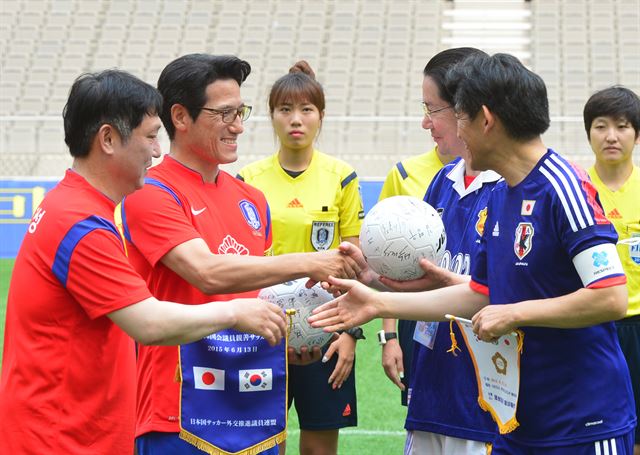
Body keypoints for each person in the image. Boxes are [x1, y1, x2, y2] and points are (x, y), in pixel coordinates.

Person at [310, 53, 637, 454]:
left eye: (459, 117)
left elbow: (610, 296)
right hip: (516, 421)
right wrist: (378, 301)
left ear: (485, 119)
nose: (454, 131)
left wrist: (515, 312)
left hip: (583, 423)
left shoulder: (564, 186)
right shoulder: (501, 194)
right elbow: (480, 293)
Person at [0, 69, 287, 454]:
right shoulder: (80, 224)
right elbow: (149, 323)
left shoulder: (76, 208)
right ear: (108, 139)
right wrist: (234, 312)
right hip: (60, 438)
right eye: (151, 136)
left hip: (72, 431)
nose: (156, 151)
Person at [120, 55, 360, 455]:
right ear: (180, 116)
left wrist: (294, 339)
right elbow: (207, 273)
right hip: (179, 409)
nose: (239, 126)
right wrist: (310, 260)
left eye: (241, 111)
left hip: (255, 407)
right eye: (225, 113)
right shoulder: (151, 192)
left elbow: (256, 297)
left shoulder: (252, 200)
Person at [238, 60, 363, 455]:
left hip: (325, 331)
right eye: (285, 110)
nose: (296, 120)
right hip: (262, 333)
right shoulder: (247, 180)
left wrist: (349, 334)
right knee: (253, 444)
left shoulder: (342, 176)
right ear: (271, 116)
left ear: (321, 117)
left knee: (319, 449)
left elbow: (354, 267)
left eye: (306, 110)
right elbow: (239, 263)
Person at [393, 47, 498, 455]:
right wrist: (363, 273)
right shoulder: (441, 182)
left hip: (485, 408)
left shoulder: (514, 189)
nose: (425, 122)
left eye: (431, 109)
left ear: (465, 112)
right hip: (431, 395)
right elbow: (424, 279)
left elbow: (505, 297)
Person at [378, 78, 454, 404]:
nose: (426, 122)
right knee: (422, 418)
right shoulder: (405, 174)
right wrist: (389, 336)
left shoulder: (496, 175)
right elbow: (384, 262)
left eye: (432, 110)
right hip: (417, 314)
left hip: (473, 312)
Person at [585, 86, 640, 455]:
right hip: (590, 326)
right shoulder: (575, 188)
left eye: (621, 126)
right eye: (601, 126)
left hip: (637, 323)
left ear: (636, 134)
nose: (611, 136)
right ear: (588, 132)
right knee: (595, 432)